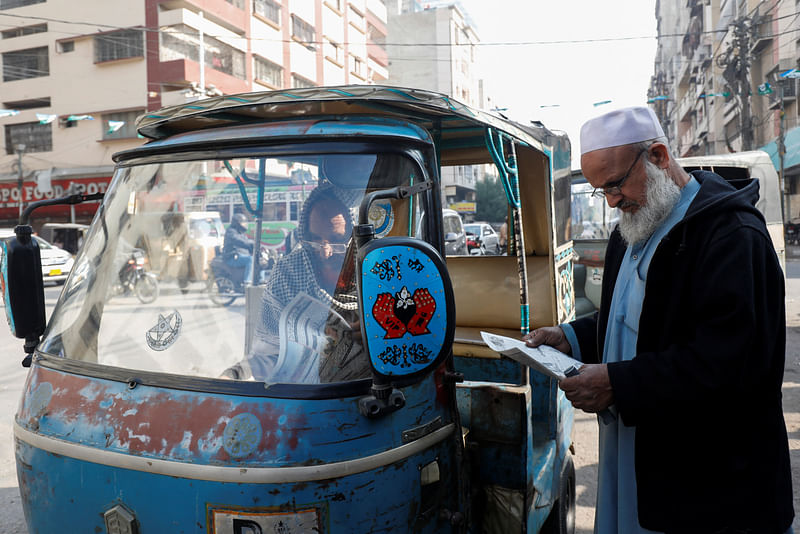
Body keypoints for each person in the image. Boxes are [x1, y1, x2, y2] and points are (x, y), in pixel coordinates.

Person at [525, 106, 794, 533]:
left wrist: (617, 382)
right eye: (601, 191)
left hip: (711, 482)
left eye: (614, 184)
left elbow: (729, 365)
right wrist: (569, 337)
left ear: (658, 156)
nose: (612, 201)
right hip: (641, 459)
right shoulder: (631, 229)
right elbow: (630, 322)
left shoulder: (730, 237)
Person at [223, 184, 368, 383]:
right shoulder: (287, 274)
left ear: (354, 236)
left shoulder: (374, 271)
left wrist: (377, 332)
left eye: (337, 241)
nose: (325, 252)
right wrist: (234, 374)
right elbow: (268, 355)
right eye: (315, 240)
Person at [223, 212, 254, 285]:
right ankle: (247, 282)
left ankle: (260, 280)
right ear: (237, 223)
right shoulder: (231, 232)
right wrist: (250, 243)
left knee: (259, 260)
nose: (245, 225)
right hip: (232, 257)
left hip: (241, 256)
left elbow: (247, 242)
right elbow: (239, 241)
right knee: (251, 260)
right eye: (243, 223)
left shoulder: (241, 233)